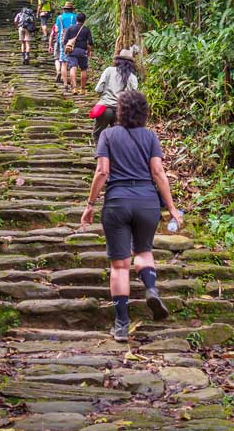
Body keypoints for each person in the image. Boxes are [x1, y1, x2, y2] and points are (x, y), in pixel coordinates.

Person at [81, 90, 183, 342]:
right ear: (144, 112)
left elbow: (102, 172)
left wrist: (90, 203)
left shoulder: (107, 135)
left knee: (120, 264)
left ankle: (121, 324)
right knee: (144, 252)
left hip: (117, 202)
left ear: (120, 111)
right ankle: (150, 288)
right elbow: (159, 173)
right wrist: (171, 208)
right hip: (147, 202)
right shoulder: (150, 136)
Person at [92, 48, 138, 146]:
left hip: (105, 109)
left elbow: (98, 89)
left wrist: (104, 95)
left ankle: (99, 154)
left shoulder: (109, 71)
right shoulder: (133, 77)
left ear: (118, 60)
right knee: (118, 137)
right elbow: (134, 96)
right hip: (121, 111)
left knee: (98, 135)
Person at [62, 12, 94, 95]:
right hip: (83, 51)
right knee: (83, 69)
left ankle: (74, 88)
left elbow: (65, 41)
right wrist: (90, 51)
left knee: (73, 67)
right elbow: (90, 42)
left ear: (76, 19)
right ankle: (83, 89)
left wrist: (66, 50)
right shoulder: (86, 29)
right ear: (84, 20)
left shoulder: (70, 28)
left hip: (72, 51)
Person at [54, 2, 78, 87]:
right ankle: (73, 83)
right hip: (73, 40)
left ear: (64, 9)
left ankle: (65, 83)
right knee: (72, 61)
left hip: (62, 40)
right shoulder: (75, 17)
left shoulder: (60, 17)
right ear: (72, 9)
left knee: (63, 62)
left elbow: (56, 29)